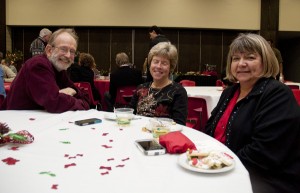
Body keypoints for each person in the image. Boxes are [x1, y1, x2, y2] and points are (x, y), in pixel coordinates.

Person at [205, 33, 300, 193]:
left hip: (265, 179)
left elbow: (264, 153)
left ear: (265, 62)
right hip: (222, 169)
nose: (241, 64)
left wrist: (217, 165)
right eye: (235, 58)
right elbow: (209, 130)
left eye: (250, 57)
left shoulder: (278, 94)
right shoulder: (229, 92)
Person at [0, 28, 90, 113]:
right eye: (63, 49)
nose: (68, 55)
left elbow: (86, 98)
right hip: (18, 122)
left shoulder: (59, 69)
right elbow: (54, 102)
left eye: (72, 51)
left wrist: (72, 91)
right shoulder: (38, 65)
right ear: (49, 50)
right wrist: (74, 99)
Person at [130, 42, 188, 125]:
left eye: (164, 63)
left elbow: (179, 125)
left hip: (163, 136)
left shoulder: (178, 92)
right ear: (150, 64)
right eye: (156, 61)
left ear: (170, 67)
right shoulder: (141, 88)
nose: (159, 66)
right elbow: (130, 115)